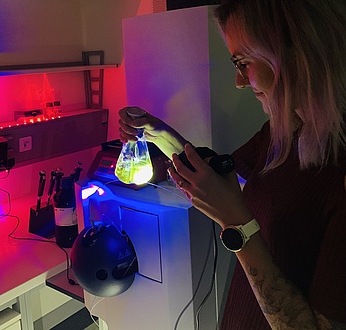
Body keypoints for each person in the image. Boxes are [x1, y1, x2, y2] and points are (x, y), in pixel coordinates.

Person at [118, 0, 346, 329]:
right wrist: (159, 134)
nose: (240, 81)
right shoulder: (280, 133)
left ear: (297, 55)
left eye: (243, 62)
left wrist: (235, 222)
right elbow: (216, 178)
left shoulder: (338, 173)